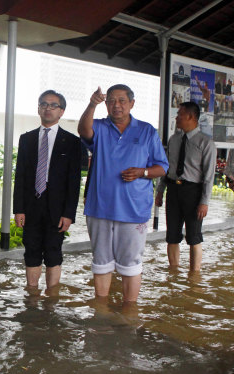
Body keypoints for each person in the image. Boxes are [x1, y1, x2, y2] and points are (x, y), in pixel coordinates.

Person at [78, 84, 169, 303]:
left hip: (134, 208)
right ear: (106, 104)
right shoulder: (99, 126)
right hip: (100, 206)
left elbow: (162, 167)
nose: (116, 105)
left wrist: (142, 172)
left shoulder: (147, 131)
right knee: (101, 262)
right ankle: (101, 309)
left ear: (132, 103)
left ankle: (129, 312)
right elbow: (83, 130)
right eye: (111, 101)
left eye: (121, 100)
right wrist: (92, 104)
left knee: (131, 264)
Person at [13, 90, 81, 295]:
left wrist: (69, 213)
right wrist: (19, 209)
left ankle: (52, 296)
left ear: (61, 111)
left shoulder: (72, 142)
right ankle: (32, 295)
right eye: (44, 104)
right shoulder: (27, 139)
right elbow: (21, 176)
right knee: (31, 249)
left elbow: (74, 181)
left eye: (53, 105)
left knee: (53, 251)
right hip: (32, 204)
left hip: (57, 208)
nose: (48, 108)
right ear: (38, 109)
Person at [155, 102, 217, 271]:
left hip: (193, 193)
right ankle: (173, 272)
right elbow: (167, 168)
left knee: (194, 237)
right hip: (173, 190)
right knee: (172, 236)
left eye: (180, 114)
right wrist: (160, 191)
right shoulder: (174, 140)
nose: (177, 118)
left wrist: (204, 202)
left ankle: (194, 276)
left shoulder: (206, 143)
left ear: (190, 116)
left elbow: (209, 176)